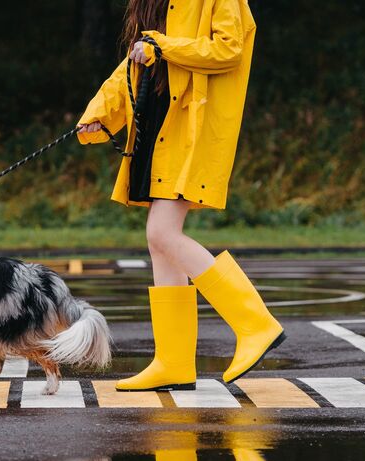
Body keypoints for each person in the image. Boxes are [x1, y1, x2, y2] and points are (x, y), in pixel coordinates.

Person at [76, 0, 284, 391]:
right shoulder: (151, 4)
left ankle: (256, 323)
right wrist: (101, 114)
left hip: (193, 127)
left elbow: (229, 49)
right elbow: (135, 64)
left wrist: (165, 46)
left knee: (162, 234)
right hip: (158, 128)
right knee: (159, 245)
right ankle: (173, 362)